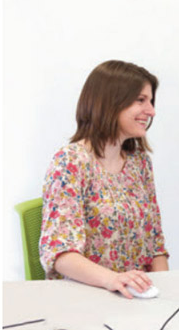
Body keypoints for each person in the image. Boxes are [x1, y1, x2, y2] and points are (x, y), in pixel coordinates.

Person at [38, 60, 168, 299]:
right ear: (110, 102)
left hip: (134, 298)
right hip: (86, 298)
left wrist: (164, 294)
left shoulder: (139, 162)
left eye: (150, 101)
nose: (151, 111)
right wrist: (113, 280)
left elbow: (155, 244)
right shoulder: (70, 162)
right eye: (140, 100)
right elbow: (60, 253)